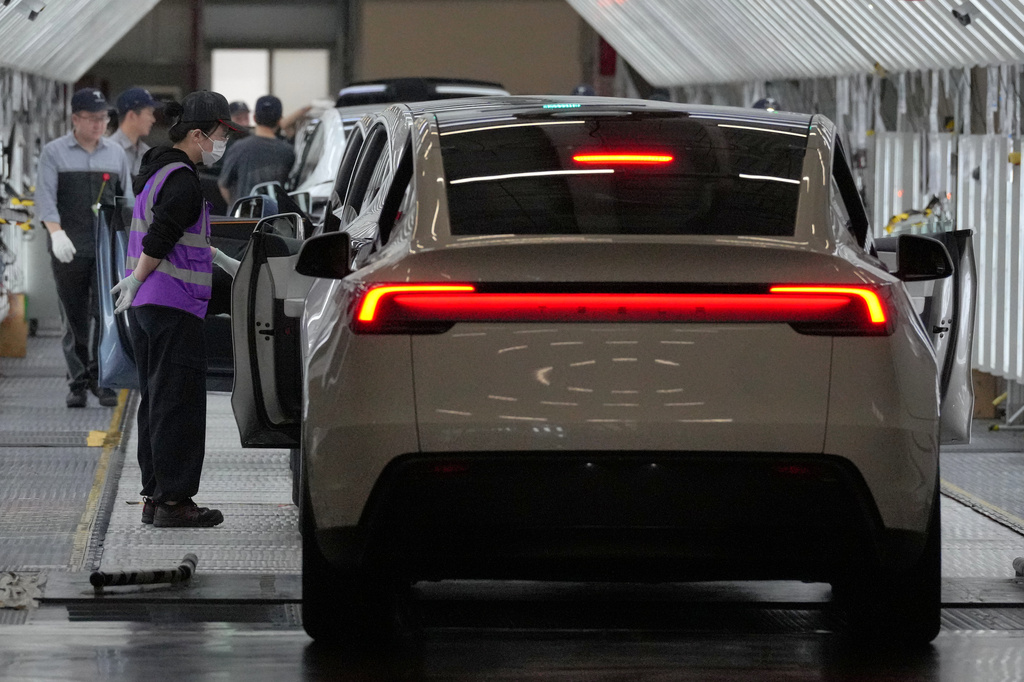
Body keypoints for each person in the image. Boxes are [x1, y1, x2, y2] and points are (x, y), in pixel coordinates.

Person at [109, 90, 241, 528]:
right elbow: (162, 235)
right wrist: (139, 277)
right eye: (221, 133)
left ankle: (155, 496)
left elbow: (184, 238)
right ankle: (174, 503)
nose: (223, 142)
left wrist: (222, 260)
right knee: (179, 405)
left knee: (158, 402)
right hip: (171, 304)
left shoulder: (158, 172)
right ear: (200, 134)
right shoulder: (183, 179)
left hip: (150, 308)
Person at [36, 87, 135, 408]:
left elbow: (127, 202)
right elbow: (45, 199)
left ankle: (103, 379)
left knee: (104, 314)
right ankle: (77, 381)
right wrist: (56, 234)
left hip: (106, 249)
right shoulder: (54, 153)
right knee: (75, 315)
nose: (99, 124)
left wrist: (130, 244)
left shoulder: (115, 153)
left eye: (103, 118)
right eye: (92, 118)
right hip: (69, 247)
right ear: (75, 119)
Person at [217, 95, 296, 206]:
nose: (244, 123)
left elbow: (223, 185)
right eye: (239, 119)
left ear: (254, 118)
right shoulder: (288, 151)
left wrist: (235, 209)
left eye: (246, 118)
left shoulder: (238, 148)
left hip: (243, 218)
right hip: (274, 217)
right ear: (279, 120)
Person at [109, 87, 161, 176]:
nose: (153, 120)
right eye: (149, 113)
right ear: (132, 115)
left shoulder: (147, 154)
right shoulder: (108, 151)